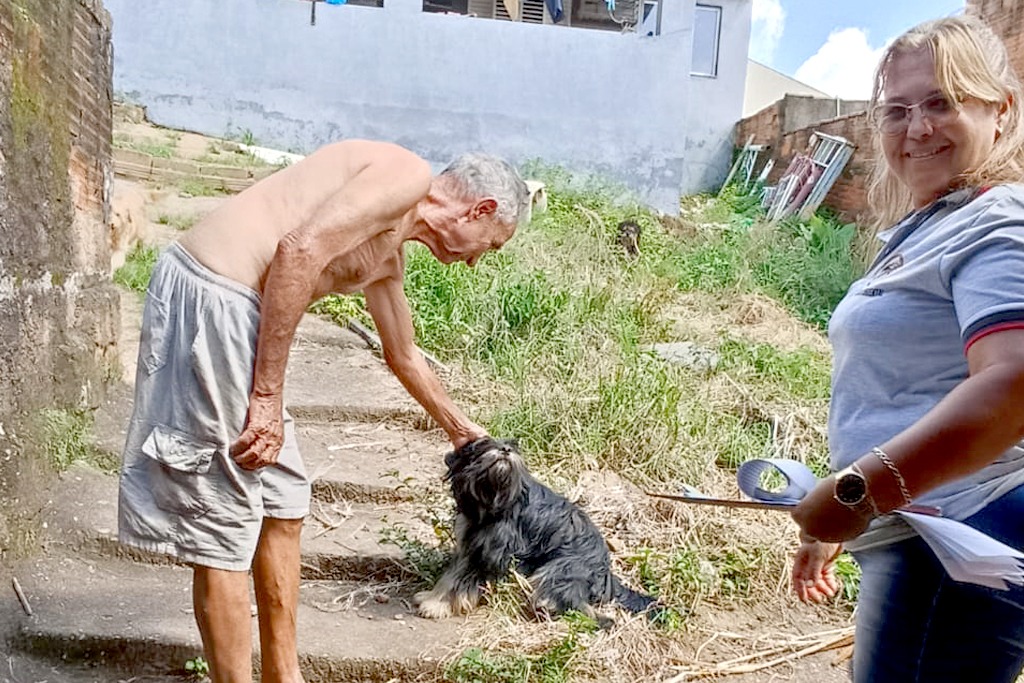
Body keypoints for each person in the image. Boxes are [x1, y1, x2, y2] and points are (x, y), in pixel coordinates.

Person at [117, 140, 530, 683]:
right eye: (490, 246)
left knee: (284, 502)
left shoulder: (387, 253)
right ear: (481, 210)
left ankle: (283, 676)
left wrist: (462, 430)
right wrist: (266, 400)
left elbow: (402, 353)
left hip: (243, 309)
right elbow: (298, 251)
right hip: (215, 292)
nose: (477, 260)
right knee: (226, 512)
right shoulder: (405, 174)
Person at [789, 14, 1024, 682]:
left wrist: (862, 492)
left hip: (958, 545)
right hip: (919, 538)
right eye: (897, 110)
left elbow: (1012, 386)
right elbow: (904, 394)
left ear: (1000, 112)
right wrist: (841, 511)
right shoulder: (931, 226)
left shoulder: (996, 221)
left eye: (942, 102)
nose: (917, 127)